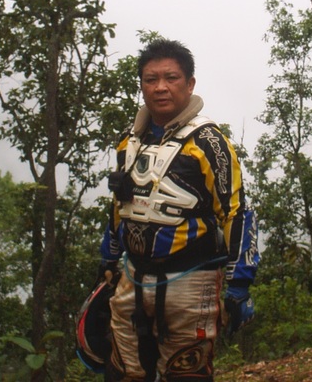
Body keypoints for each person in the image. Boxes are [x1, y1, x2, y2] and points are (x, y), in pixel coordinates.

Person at [98, 38, 259, 381]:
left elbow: (235, 212)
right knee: (123, 371)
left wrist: (239, 285)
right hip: (132, 277)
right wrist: (108, 261)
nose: (160, 87)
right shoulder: (129, 140)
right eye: (151, 79)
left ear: (189, 84)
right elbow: (120, 206)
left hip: (191, 281)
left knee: (187, 373)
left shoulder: (209, 142)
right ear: (142, 85)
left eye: (171, 78)